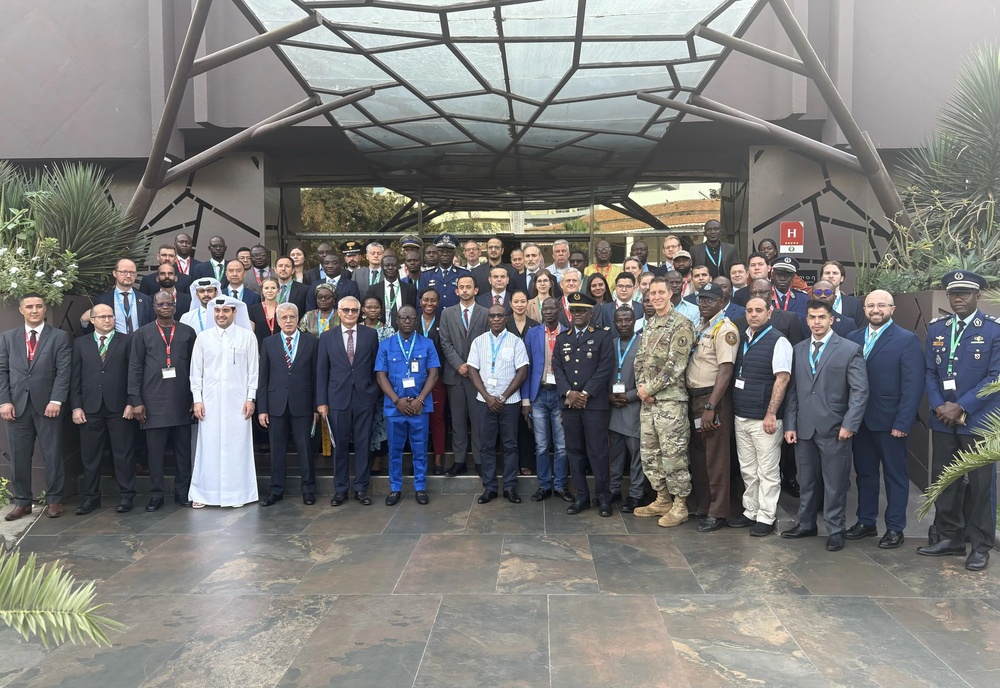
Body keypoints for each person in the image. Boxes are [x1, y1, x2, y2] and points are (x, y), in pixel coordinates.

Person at [919, 271, 1000, 570]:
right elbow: (930, 372)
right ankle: (949, 537)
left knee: (981, 487)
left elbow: (996, 377)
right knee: (945, 480)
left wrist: (961, 406)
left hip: (978, 421)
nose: (958, 298)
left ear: (978, 296)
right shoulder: (939, 328)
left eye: (965, 293)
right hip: (943, 420)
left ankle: (980, 546)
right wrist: (941, 406)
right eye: (954, 294)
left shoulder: (993, 330)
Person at [782, 299, 869, 552]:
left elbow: (860, 391)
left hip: (836, 428)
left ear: (831, 319)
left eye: (821, 317)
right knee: (806, 480)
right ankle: (806, 523)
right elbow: (793, 392)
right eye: (812, 317)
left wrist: (850, 424)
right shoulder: (798, 349)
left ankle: (835, 528)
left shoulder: (849, 349)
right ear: (807, 320)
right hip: (804, 428)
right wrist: (790, 424)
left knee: (835, 483)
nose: (816, 322)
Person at [844, 290, 923, 549]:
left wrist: (903, 422)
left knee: (895, 476)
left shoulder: (906, 340)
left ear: (892, 309)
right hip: (860, 421)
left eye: (881, 305)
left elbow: (913, 386)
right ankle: (866, 522)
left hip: (890, 422)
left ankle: (894, 527)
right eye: (870, 305)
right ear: (864, 309)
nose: (875, 309)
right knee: (865, 474)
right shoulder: (852, 337)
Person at [0, 294, 72, 520]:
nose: (34, 310)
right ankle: (22, 502)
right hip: (17, 407)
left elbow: (64, 371)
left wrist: (56, 400)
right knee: (19, 456)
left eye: (38, 306)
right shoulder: (7, 338)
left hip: (48, 406)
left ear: (44, 309)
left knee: (52, 454)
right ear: (21, 310)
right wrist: (4, 401)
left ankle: (54, 500)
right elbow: (2, 371)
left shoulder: (59, 337)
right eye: (29, 307)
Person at [633, 277, 695, 525]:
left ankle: (680, 506)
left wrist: (650, 388)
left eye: (661, 292)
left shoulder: (681, 324)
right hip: (647, 401)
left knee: (674, 454)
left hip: (670, 402)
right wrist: (641, 387)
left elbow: (675, 366)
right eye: (652, 293)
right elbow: (640, 358)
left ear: (671, 293)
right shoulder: (650, 323)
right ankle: (662, 499)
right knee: (650, 453)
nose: (656, 297)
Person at [128, 291, 198, 510]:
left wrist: (196, 398)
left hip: (181, 400)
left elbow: (197, 368)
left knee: (183, 452)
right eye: (161, 304)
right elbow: (135, 368)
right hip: (152, 402)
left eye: (169, 303)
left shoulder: (188, 332)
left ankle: (183, 491)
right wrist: (136, 400)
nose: (165, 306)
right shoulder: (142, 334)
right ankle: (157, 494)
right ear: (154, 307)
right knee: (155, 453)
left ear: (175, 306)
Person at [188, 296, 259, 508]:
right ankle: (204, 493)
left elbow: (253, 371)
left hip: (238, 403)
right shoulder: (203, 337)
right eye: (217, 311)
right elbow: (196, 372)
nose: (221, 315)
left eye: (226, 311)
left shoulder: (247, 337)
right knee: (208, 447)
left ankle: (237, 494)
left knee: (238, 448)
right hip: (209, 403)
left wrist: (250, 397)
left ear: (234, 312)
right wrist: (197, 400)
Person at [729, 296, 792, 536]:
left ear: (770, 312)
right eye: (749, 310)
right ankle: (750, 511)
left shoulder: (779, 341)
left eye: (758, 310)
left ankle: (766, 516)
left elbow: (782, 378)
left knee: (767, 471)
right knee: (748, 468)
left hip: (764, 419)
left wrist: (771, 414)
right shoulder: (744, 337)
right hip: (742, 415)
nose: (753, 314)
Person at [70, 304, 137, 514]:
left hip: (120, 407)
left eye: (110, 316)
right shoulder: (80, 344)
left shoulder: (127, 341)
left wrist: (131, 402)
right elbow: (75, 378)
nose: (107, 320)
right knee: (90, 455)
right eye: (102, 317)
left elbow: (133, 374)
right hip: (89, 407)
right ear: (92, 320)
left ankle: (126, 496)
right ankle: (91, 498)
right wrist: (76, 406)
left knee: (123, 453)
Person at [552, 292, 615, 516]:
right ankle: (582, 497)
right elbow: (557, 369)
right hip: (570, 404)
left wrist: (585, 393)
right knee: (574, 451)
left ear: (590, 313)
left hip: (594, 404)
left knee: (598, 452)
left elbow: (605, 367)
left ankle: (603, 498)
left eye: (582, 311)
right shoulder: (562, 338)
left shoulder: (602, 336)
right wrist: (569, 393)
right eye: (574, 311)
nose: (577, 315)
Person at [317, 296, 380, 507]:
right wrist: (321, 401)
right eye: (346, 310)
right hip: (337, 399)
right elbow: (322, 371)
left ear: (360, 312)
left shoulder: (371, 335)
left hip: (364, 398)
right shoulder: (327, 338)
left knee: (363, 445)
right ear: (338, 311)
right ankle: (340, 489)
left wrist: (373, 393)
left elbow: (375, 366)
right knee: (340, 446)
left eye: (354, 310)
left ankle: (362, 488)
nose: (350, 314)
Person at [375, 304, 440, 506]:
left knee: (419, 449)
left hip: (420, 407)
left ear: (416, 319)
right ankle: (395, 488)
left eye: (411, 318)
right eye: (403, 318)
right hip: (395, 408)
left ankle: (420, 488)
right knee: (394, 450)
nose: (406, 321)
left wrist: (420, 399)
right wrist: (397, 400)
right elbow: (380, 376)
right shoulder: (386, 345)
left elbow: (434, 374)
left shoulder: (427, 344)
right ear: (396, 319)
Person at [686, 282, 738, 531]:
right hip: (694, 398)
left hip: (712, 400)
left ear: (721, 302)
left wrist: (711, 406)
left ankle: (718, 512)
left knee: (716, 457)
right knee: (698, 456)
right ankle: (704, 504)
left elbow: (726, 371)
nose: (704, 304)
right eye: (701, 299)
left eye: (709, 300)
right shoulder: (701, 326)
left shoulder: (725, 329)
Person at [258, 303, 319, 506]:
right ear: (277, 320)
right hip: (276, 404)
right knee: (277, 448)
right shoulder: (269, 342)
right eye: (284, 318)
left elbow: (316, 376)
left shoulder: (311, 342)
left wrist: (316, 406)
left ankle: (308, 489)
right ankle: (276, 490)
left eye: (292, 317)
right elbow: (263, 377)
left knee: (304, 448)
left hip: (302, 403)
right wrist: (263, 408)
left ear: (298, 318)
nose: (288, 321)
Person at [468, 305, 530, 504]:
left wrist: (502, 398)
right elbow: (472, 370)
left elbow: (522, 372)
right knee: (486, 446)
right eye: (492, 316)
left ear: (506, 318)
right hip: (484, 402)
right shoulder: (479, 342)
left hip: (509, 403)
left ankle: (510, 486)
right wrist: (487, 397)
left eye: (500, 315)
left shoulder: (516, 342)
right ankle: (490, 487)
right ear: (488, 319)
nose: (495, 319)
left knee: (510, 445)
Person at [521, 298, 572, 503]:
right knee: (541, 445)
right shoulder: (532, 333)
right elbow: (526, 368)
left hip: (561, 396)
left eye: (553, 308)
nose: (549, 311)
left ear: (559, 310)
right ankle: (543, 485)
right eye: (545, 308)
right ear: (541, 311)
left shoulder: (568, 332)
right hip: (539, 395)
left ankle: (559, 485)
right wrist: (526, 400)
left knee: (561, 445)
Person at [439, 274, 488, 475]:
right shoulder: (447, 314)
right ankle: (459, 460)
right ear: (456, 291)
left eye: (469, 286)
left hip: (478, 377)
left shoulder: (485, 313)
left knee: (478, 421)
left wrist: (473, 366)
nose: (465, 290)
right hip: (455, 375)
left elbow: (487, 342)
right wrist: (459, 365)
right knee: (457, 420)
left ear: (476, 290)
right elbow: (445, 342)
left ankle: (479, 460)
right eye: (462, 287)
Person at [607, 306, 646, 511]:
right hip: (612, 407)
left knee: (636, 454)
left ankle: (636, 494)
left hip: (634, 406)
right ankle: (614, 490)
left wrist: (630, 395)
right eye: (619, 321)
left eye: (628, 320)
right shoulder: (610, 345)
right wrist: (608, 395)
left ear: (634, 321)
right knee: (615, 454)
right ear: (614, 323)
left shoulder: (643, 344)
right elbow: (602, 372)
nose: (623, 324)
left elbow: (649, 378)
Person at [362, 296, 397, 473]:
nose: (373, 310)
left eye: (376, 307)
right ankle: (364, 456)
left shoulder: (388, 331)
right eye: (369, 307)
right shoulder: (357, 328)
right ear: (363, 309)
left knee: (380, 421)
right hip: (361, 381)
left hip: (382, 380)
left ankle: (378, 458)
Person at [505, 289, 538, 476]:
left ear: (527, 303)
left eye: (523, 301)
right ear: (510, 304)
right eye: (516, 301)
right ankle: (511, 463)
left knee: (526, 424)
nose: (519, 305)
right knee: (509, 425)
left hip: (529, 379)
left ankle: (526, 461)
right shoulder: (504, 323)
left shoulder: (535, 326)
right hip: (507, 380)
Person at [81, 258, 154, 334]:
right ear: (115, 273)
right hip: (114, 343)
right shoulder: (103, 300)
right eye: (124, 272)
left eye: (132, 272)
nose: (128, 275)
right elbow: (94, 329)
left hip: (139, 343)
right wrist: (84, 321)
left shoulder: (145, 299)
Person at [418, 288, 447, 475]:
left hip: (437, 377)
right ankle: (419, 458)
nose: (429, 303)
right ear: (420, 301)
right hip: (415, 379)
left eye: (433, 300)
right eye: (426, 300)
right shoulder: (412, 321)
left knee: (437, 418)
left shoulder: (443, 321)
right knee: (418, 419)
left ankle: (438, 458)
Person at [419, 233, 470, 312]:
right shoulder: (426, 275)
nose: (445, 254)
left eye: (449, 251)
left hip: (456, 320)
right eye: (441, 251)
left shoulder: (464, 274)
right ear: (437, 253)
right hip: (434, 320)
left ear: (454, 254)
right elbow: (419, 304)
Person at [821, 260, 865, 327]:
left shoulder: (855, 304)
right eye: (827, 273)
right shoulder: (812, 302)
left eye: (835, 273)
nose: (831, 276)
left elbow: (859, 330)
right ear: (822, 277)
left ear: (842, 278)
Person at [249, 276, 282, 347]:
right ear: (262, 291)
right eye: (266, 288)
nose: (270, 291)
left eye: (273, 288)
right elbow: (251, 334)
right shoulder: (253, 309)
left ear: (278, 290)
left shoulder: (283, 309)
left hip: (280, 348)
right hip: (259, 349)